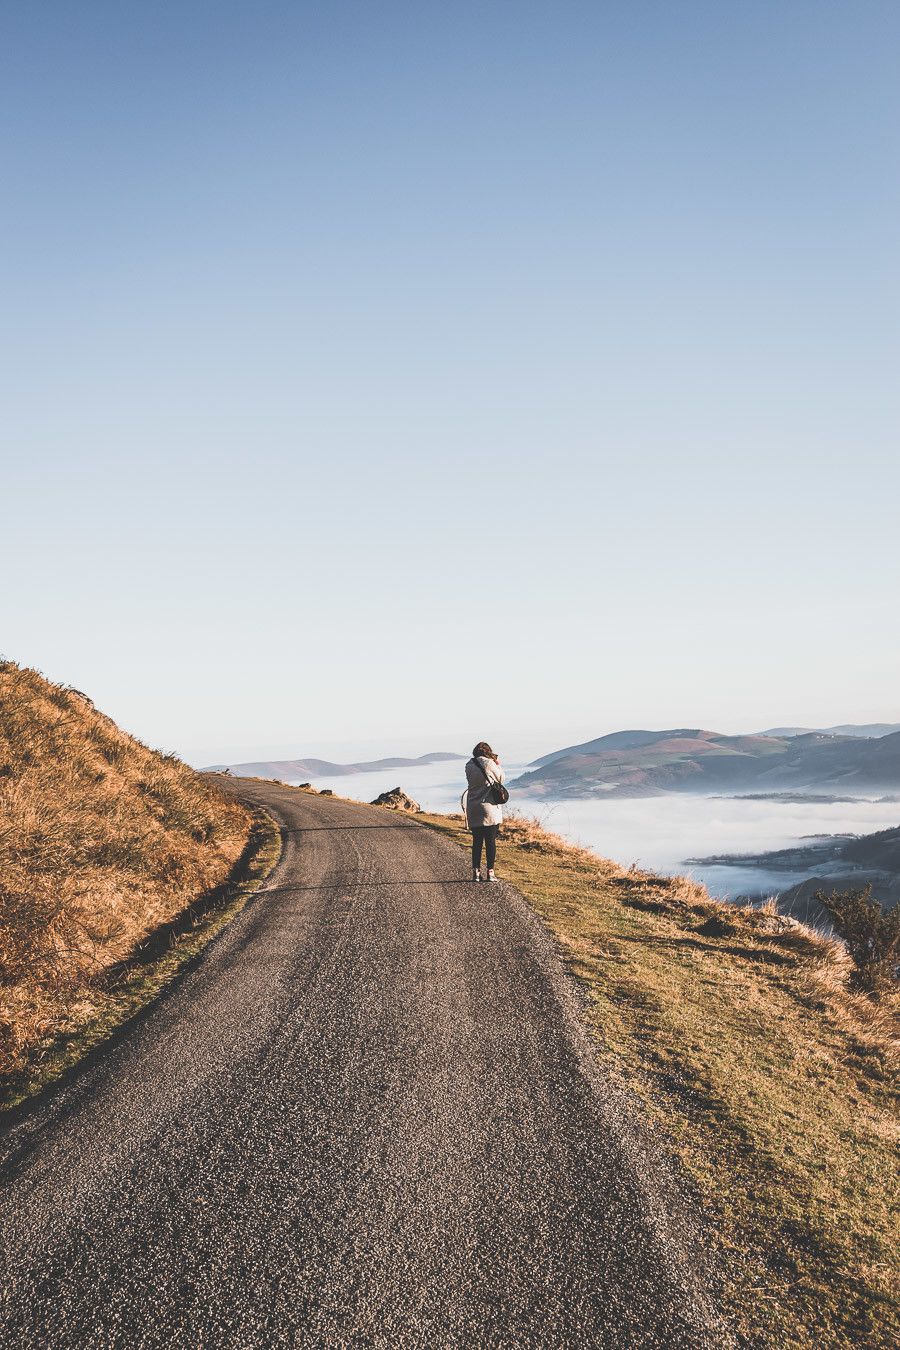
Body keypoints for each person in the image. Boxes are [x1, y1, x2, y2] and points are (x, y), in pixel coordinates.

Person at [462, 741, 504, 882]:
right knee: (490, 841)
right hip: (489, 807)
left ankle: (476, 872)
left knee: (477, 841)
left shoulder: (469, 765)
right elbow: (501, 779)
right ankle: (490, 873)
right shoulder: (489, 763)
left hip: (473, 806)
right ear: (488, 752)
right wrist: (497, 763)